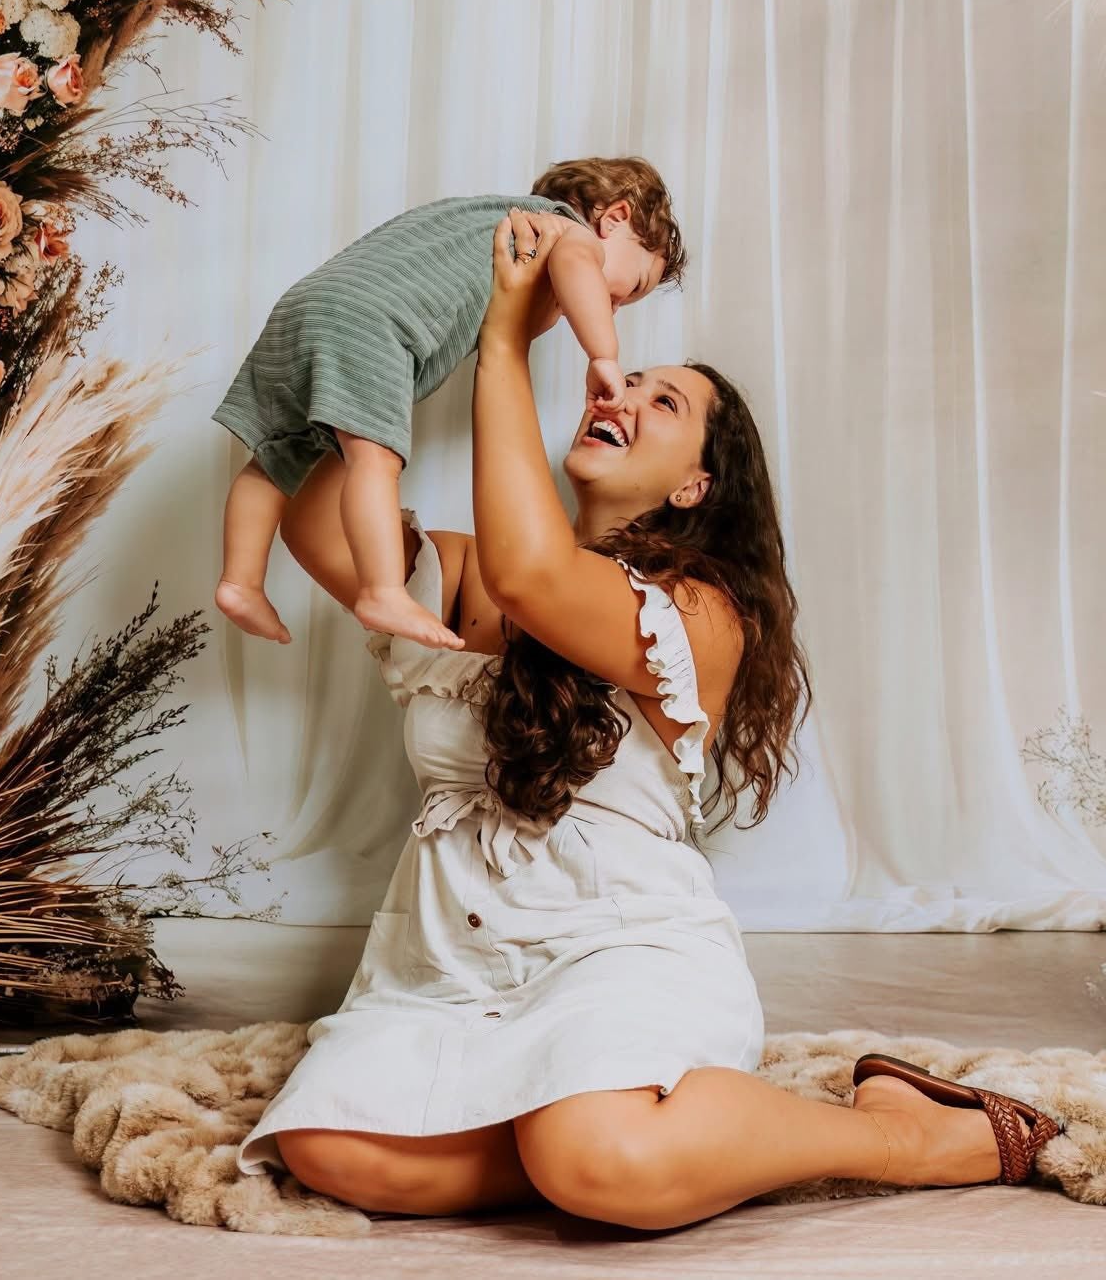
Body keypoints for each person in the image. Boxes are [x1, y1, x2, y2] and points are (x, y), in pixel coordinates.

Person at [235, 210, 1059, 1228]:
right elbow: (319, 522)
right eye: (625, 379)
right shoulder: (458, 573)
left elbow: (538, 577)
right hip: (450, 958)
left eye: (660, 400)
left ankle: (909, 1132)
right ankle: (594, 1142)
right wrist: (377, 317)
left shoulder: (704, 617)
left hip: (615, 950)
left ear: (693, 483)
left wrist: (503, 340)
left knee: (600, 1160)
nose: (617, 391)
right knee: (336, 1153)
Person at [212, 157, 684, 650]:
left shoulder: (488, 216)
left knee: (277, 458)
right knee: (375, 460)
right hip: (369, 324)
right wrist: (602, 353)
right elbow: (577, 265)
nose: (613, 305)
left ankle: (240, 582)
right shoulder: (565, 231)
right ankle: (383, 589)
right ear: (615, 218)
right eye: (632, 289)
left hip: (307, 303)